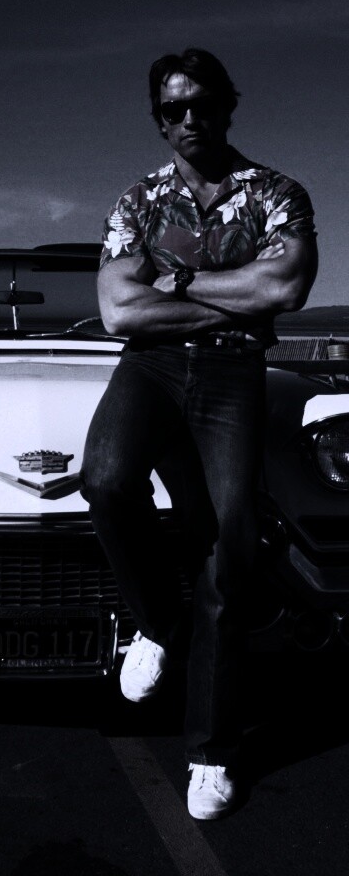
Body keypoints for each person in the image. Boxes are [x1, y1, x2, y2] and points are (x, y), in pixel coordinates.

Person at [81, 47, 318, 820]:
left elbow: (286, 284)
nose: (190, 119)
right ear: (160, 120)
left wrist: (176, 282)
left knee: (229, 546)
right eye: (173, 109)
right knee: (104, 478)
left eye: (202, 104)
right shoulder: (138, 201)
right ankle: (158, 624)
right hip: (150, 367)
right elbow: (119, 310)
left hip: (231, 371)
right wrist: (236, 294)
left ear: (227, 105)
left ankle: (211, 751)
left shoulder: (276, 193)